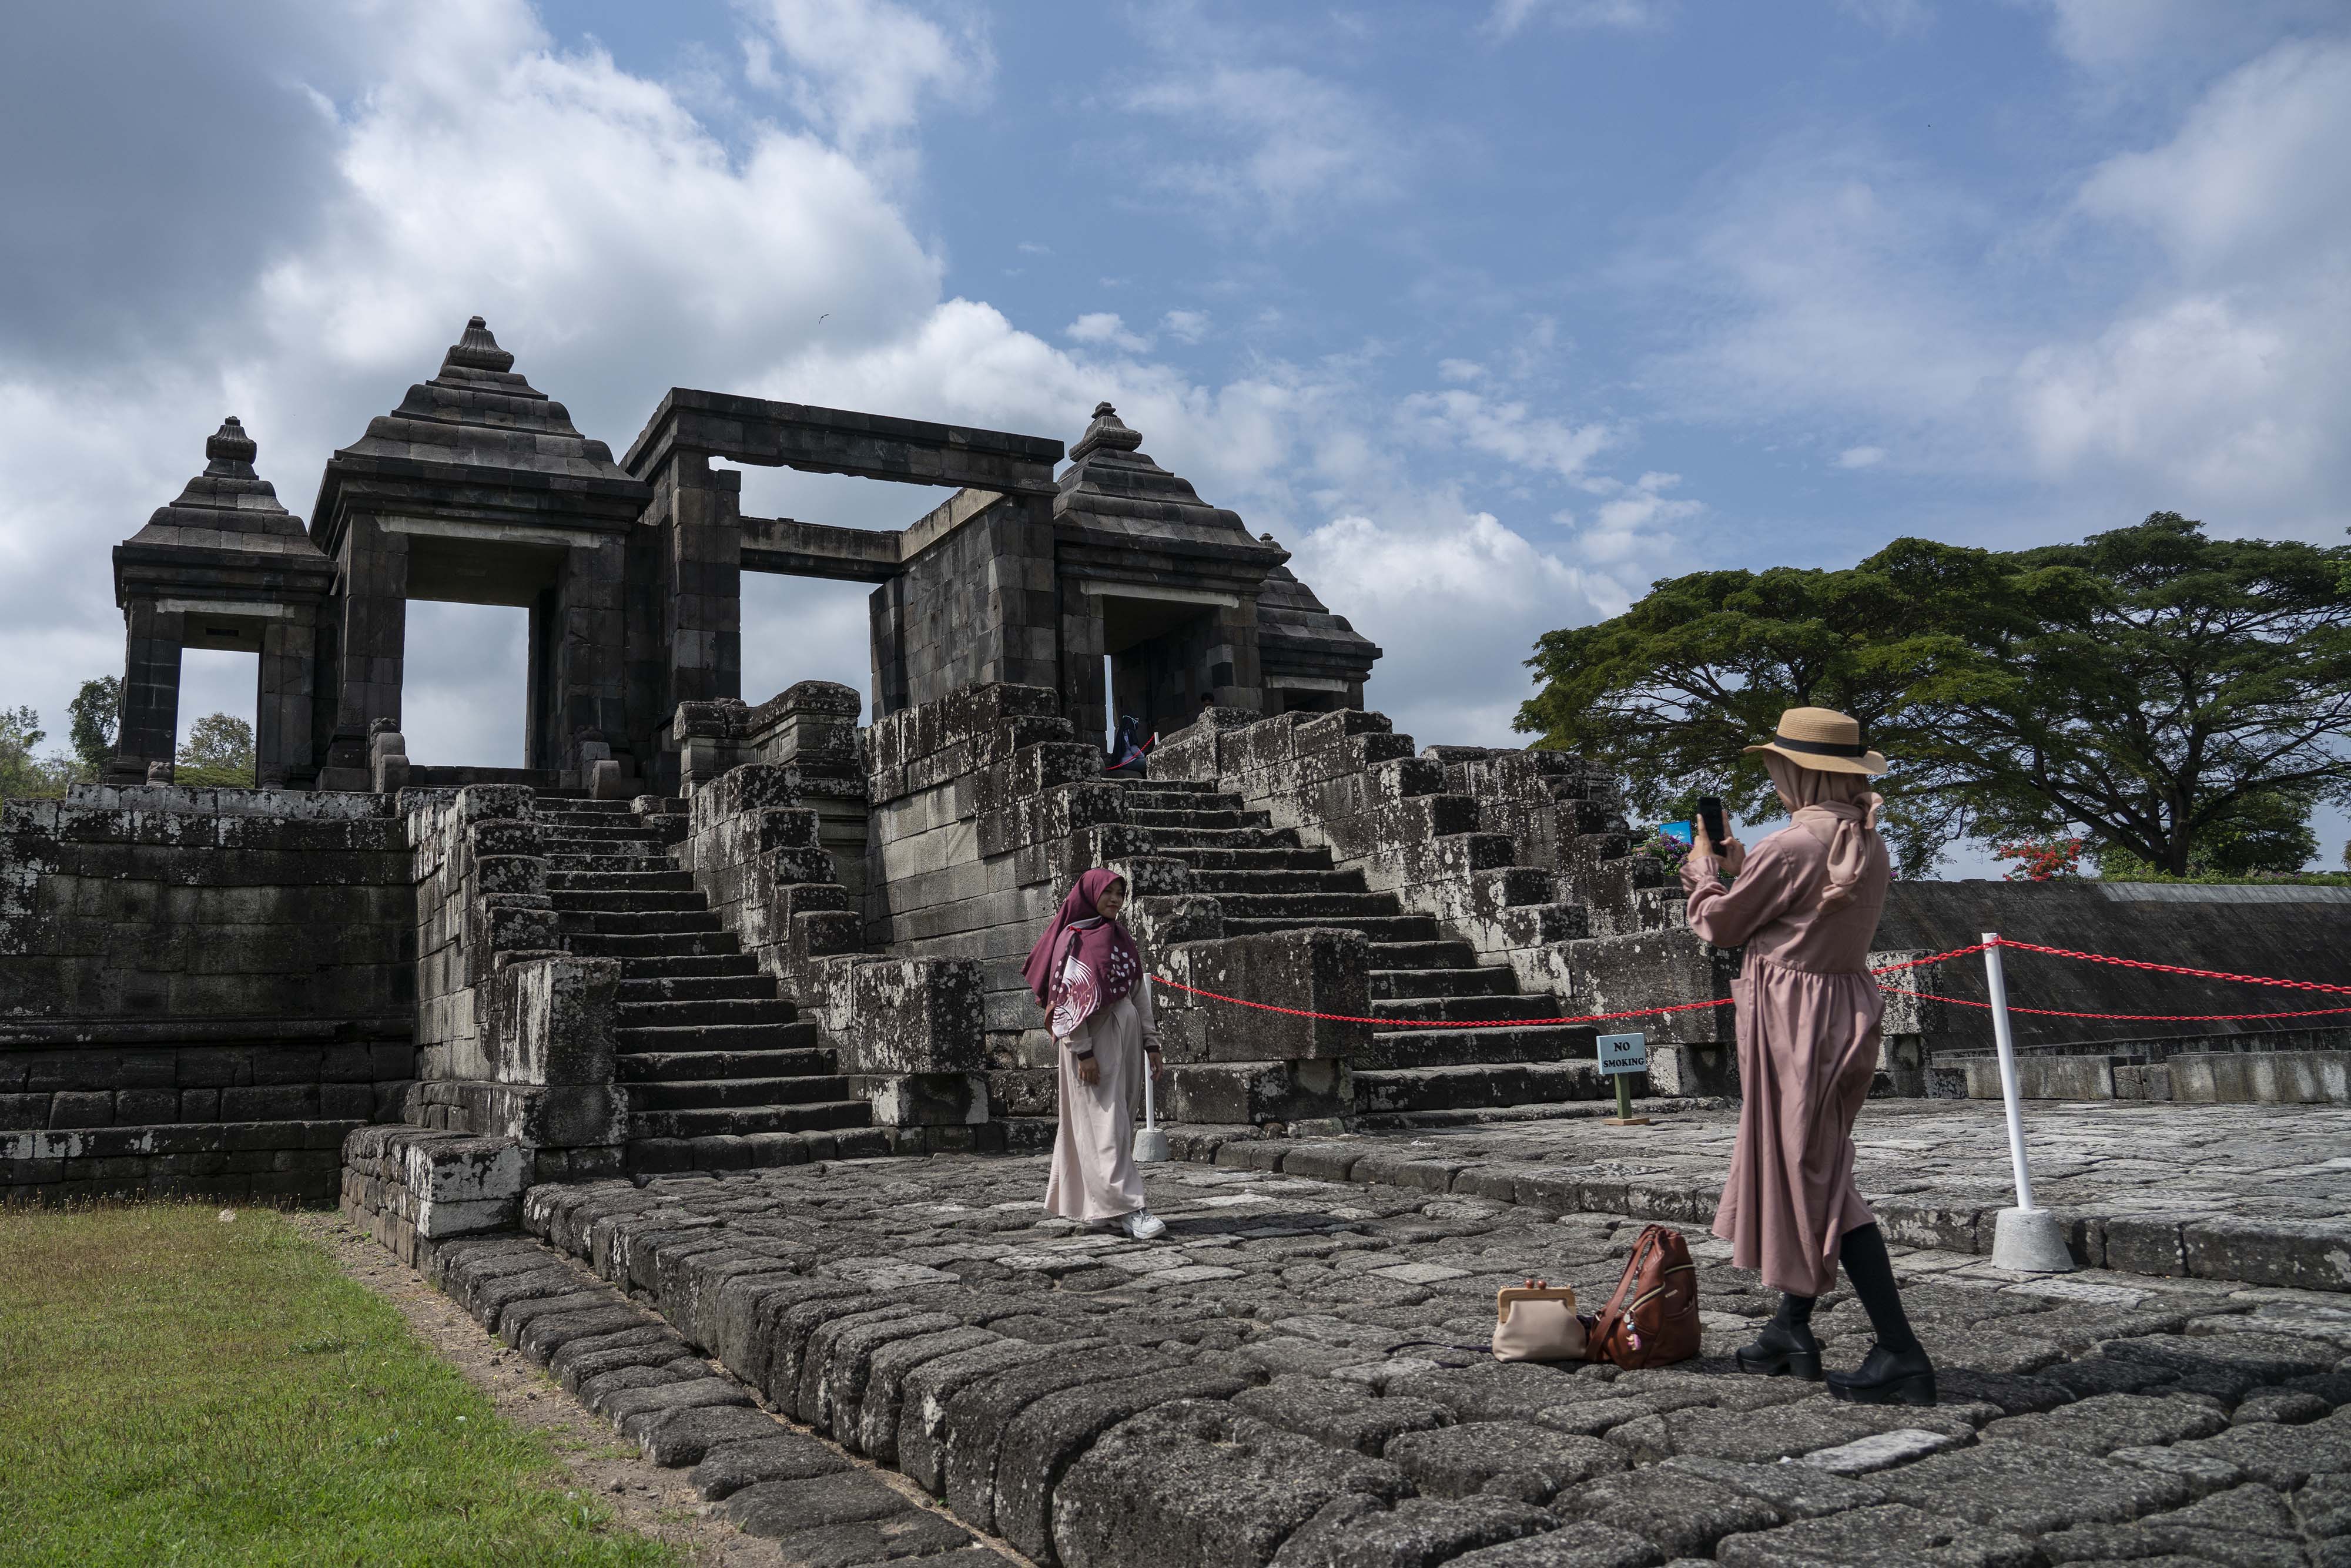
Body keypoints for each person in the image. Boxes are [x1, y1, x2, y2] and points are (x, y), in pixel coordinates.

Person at [1684, 706, 1933, 1406]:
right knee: (1808, 1166)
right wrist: (1743, 868)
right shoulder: (1865, 837)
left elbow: (1722, 924)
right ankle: (1787, 1329)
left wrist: (1706, 871)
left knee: (1815, 1175)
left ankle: (1900, 1350)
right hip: (1842, 1008)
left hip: (1792, 1019)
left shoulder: (1791, 844)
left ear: (1797, 768)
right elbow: (1796, 909)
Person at [1026, 867, 1166, 1240]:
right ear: (1090, 894)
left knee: (1118, 1120)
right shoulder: (1075, 939)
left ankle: (1101, 1206)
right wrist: (1082, 1051)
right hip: (1093, 1039)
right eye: (1109, 893)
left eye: (1121, 894)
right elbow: (1067, 1002)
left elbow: (1138, 993)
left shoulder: (1120, 937)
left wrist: (1152, 1043)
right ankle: (1131, 1207)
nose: (1116, 900)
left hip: (1128, 1034)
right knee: (1106, 1123)